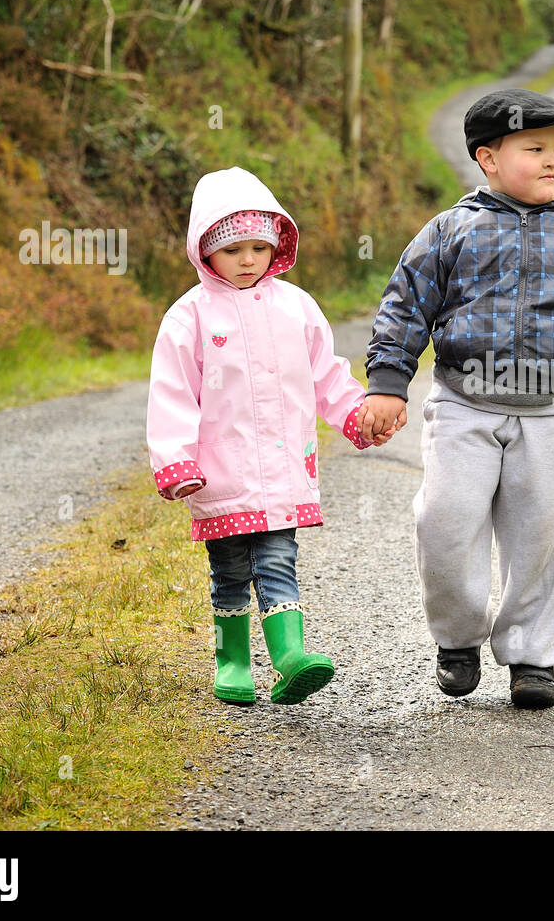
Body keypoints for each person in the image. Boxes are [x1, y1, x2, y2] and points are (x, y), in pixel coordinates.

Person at [359, 88, 554, 709]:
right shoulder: (450, 231)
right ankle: (458, 636)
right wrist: (387, 384)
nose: (553, 161)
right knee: (445, 519)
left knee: (544, 534)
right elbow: (404, 307)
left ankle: (532, 653)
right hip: (465, 402)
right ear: (486, 157)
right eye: (535, 148)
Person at [147, 167, 402, 706]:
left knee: (278, 560)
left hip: (285, 472)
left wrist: (357, 416)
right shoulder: (188, 318)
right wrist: (175, 460)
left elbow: (327, 376)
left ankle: (289, 660)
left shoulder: (297, 307)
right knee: (231, 572)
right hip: (220, 475)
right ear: (205, 250)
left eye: (259, 247)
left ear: (276, 245)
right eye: (232, 248)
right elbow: (172, 393)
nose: (247, 260)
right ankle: (233, 661)